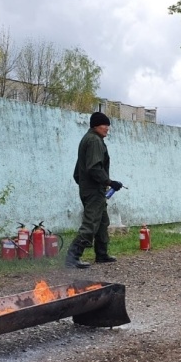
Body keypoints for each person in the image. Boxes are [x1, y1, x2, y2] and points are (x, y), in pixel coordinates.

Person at [65, 112, 124, 268]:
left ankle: (102, 254)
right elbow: (94, 168)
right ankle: (72, 257)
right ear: (97, 125)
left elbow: (78, 171)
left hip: (90, 189)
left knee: (102, 221)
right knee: (91, 224)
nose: (107, 129)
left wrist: (84, 185)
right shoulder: (94, 141)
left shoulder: (88, 139)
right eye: (105, 125)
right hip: (94, 190)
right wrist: (110, 182)